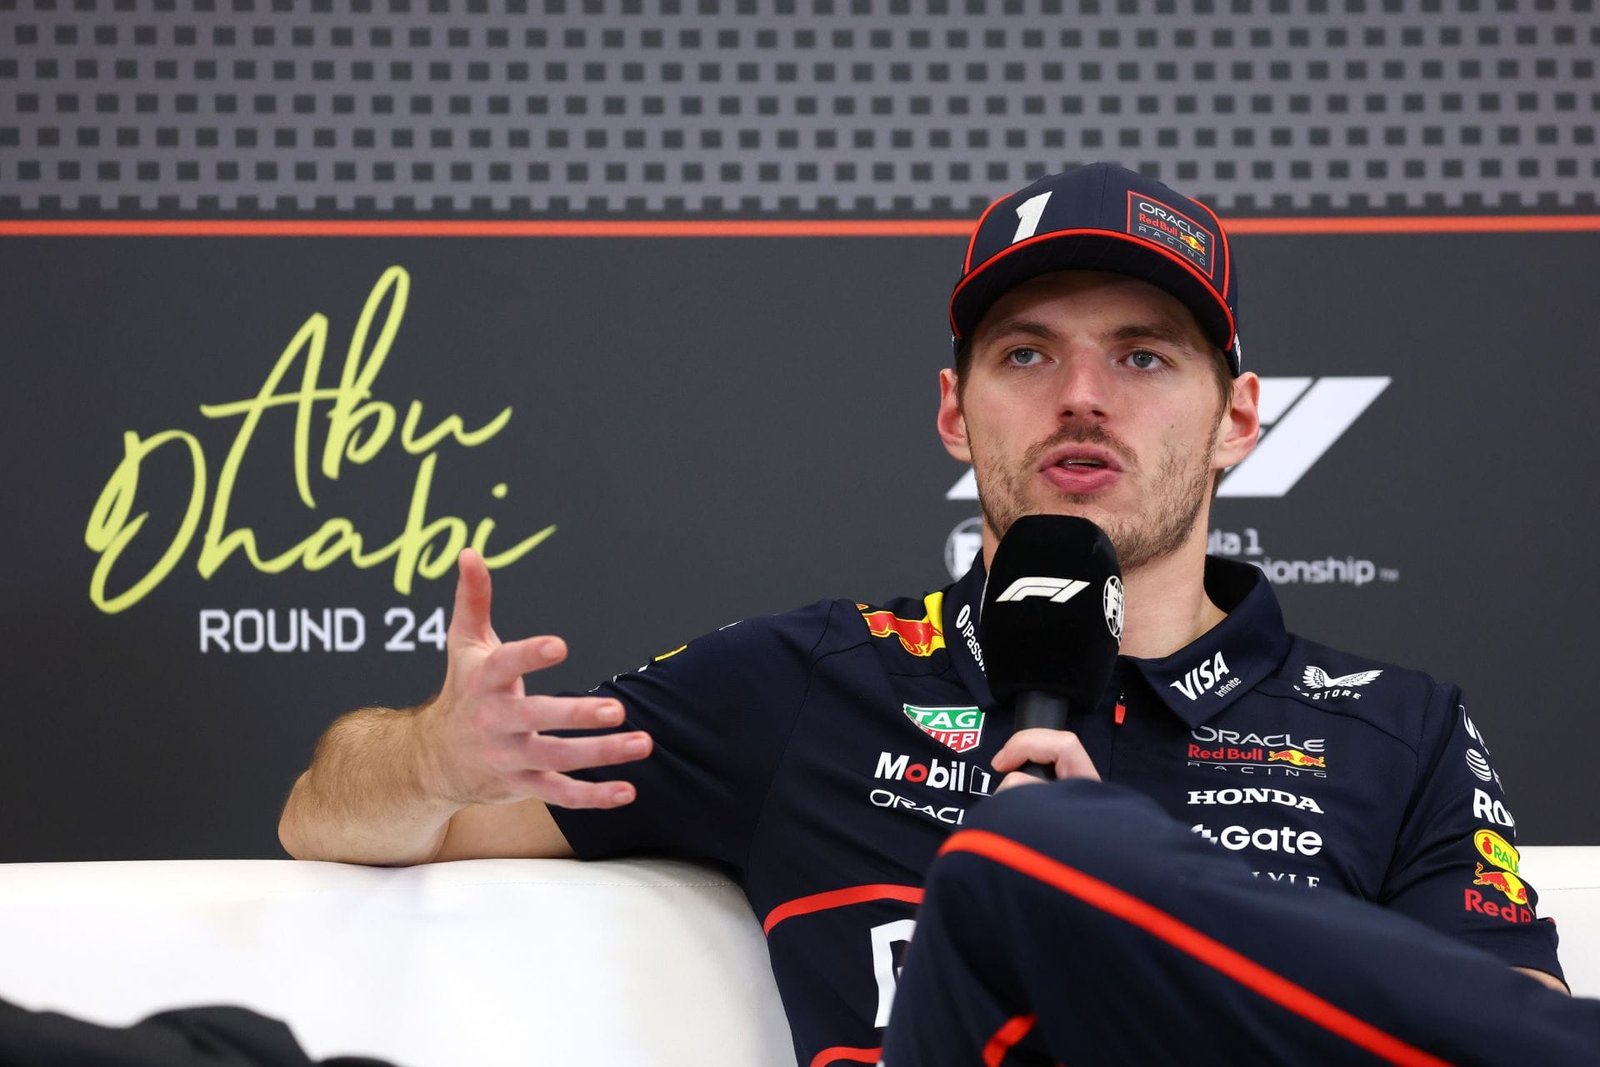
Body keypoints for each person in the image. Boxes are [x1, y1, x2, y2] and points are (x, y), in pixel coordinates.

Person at [279, 163, 1593, 1066]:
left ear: (1239, 418)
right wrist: (429, 757)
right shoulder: (811, 682)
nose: (1084, 397)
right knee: (1013, 871)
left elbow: (1510, 1030)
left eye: (1143, 355)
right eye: (1027, 354)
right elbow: (325, 816)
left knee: (1043, 863)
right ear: (956, 414)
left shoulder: (1394, 729)